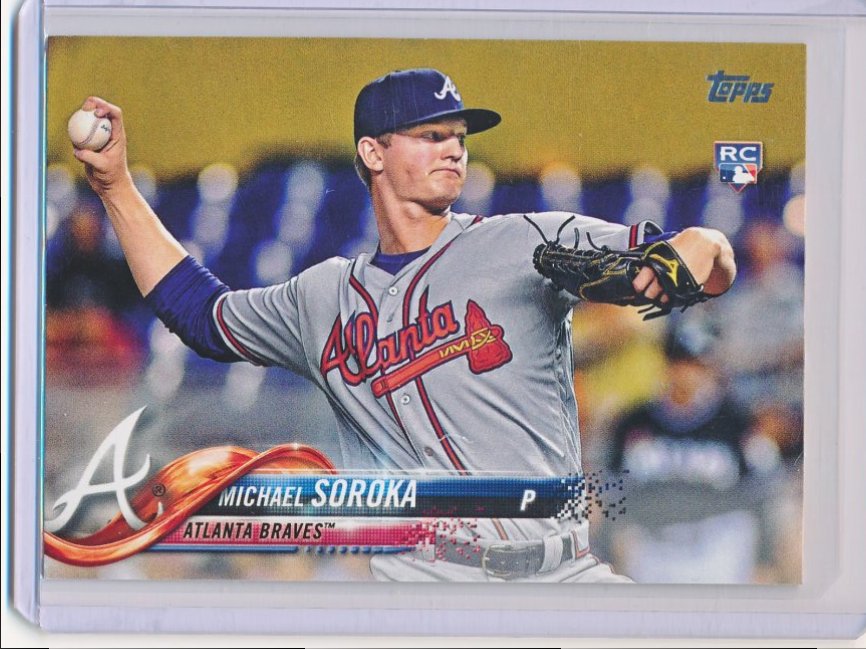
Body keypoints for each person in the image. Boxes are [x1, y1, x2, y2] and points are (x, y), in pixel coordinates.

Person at [72, 68, 736, 582]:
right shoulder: (321, 297)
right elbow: (201, 316)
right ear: (373, 151)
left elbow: (695, 254)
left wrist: (702, 247)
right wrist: (117, 187)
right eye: (430, 135)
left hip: (559, 573)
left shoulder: (524, 240)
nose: (455, 150)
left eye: (459, 137)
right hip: (422, 581)